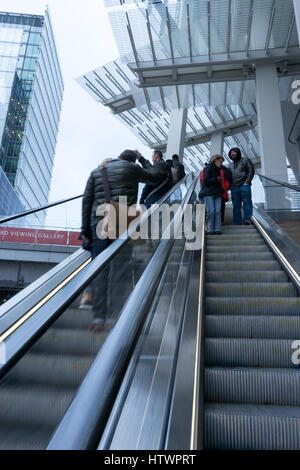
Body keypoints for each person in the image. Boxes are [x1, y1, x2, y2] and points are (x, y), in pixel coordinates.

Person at [80, 149, 160, 331]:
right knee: (120, 270)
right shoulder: (132, 169)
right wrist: (142, 159)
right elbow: (156, 176)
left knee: (100, 269)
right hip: (123, 223)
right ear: (132, 160)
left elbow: (87, 200)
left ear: (118, 157)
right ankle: (113, 318)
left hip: (99, 223)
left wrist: (85, 229)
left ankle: (98, 317)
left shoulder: (96, 172)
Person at [228, 147, 255, 225]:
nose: (232, 154)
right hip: (234, 187)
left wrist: (247, 182)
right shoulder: (230, 165)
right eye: (231, 153)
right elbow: (228, 176)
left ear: (238, 152)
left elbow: (251, 170)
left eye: (234, 152)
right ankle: (237, 222)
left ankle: (248, 219)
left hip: (244, 185)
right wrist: (230, 186)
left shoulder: (245, 160)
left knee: (247, 202)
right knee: (236, 205)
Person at [199, 154, 224, 235]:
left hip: (217, 193)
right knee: (211, 211)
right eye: (220, 161)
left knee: (217, 211)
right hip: (209, 193)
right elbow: (205, 181)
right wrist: (216, 179)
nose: (221, 163)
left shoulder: (218, 170)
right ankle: (209, 229)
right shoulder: (208, 168)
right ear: (215, 160)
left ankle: (217, 229)